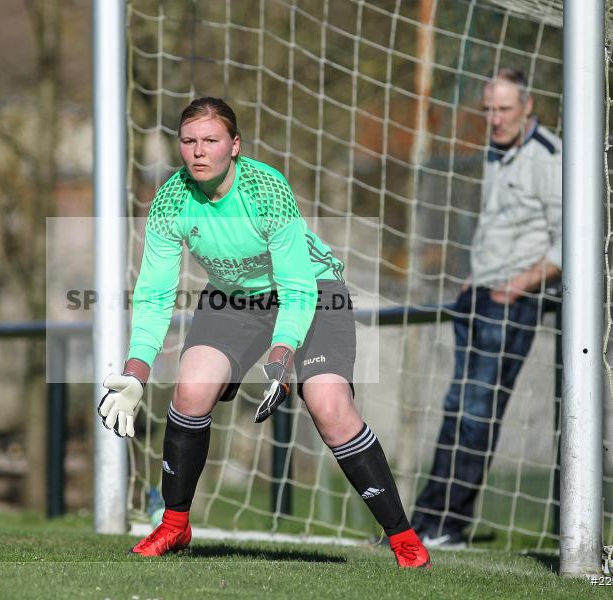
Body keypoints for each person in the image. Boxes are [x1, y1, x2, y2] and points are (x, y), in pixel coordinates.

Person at [97, 97, 430, 568]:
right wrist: (136, 372)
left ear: (234, 145)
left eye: (210, 140)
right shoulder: (171, 200)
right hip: (233, 298)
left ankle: (403, 539)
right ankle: (174, 524)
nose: (198, 151)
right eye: (188, 141)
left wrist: (281, 353)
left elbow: (296, 287)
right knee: (191, 390)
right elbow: (154, 293)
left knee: (330, 406)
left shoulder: (266, 189)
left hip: (312, 290)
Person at [410, 68, 563, 548]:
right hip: (478, 294)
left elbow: (569, 242)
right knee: (455, 408)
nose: (494, 119)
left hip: (513, 302)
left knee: (478, 411)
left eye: (504, 109)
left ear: (528, 106)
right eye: (488, 110)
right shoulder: (496, 150)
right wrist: (476, 278)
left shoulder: (552, 158)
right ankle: (425, 522)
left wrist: (518, 285)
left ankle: (450, 524)